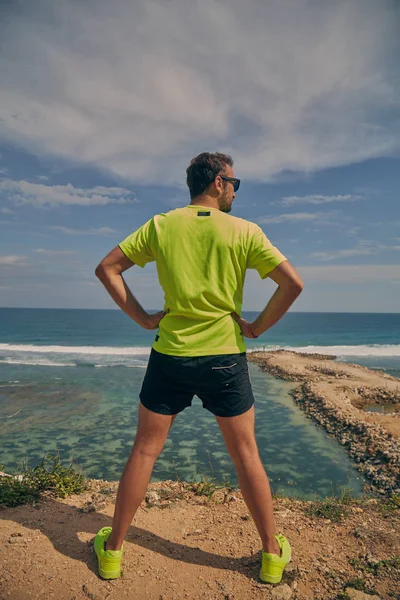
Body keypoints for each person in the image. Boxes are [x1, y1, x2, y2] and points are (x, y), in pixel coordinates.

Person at [93, 152, 304, 584]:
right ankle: (269, 556)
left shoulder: (161, 225)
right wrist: (257, 327)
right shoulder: (245, 231)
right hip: (225, 355)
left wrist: (145, 318)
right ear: (218, 183)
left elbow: (107, 268)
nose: (234, 191)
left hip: (170, 353)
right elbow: (292, 283)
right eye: (235, 183)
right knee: (246, 454)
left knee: (145, 451)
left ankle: (112, 553)